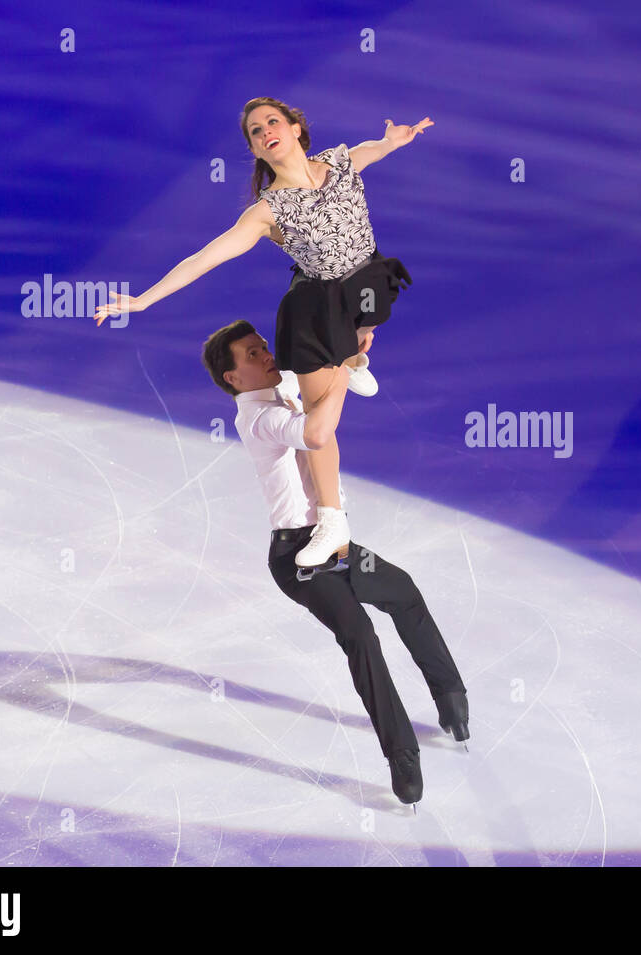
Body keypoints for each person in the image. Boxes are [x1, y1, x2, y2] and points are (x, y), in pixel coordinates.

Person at [94, 97, 432, 571]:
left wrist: (391, 140)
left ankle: (354, 357)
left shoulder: (338, 161)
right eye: (255, 131)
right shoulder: (267, 210)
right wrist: (145, 300)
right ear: (256, 149)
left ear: (296, 128)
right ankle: (332, 520)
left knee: (370, 313)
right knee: (318, 420)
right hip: (319, 306)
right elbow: (206, 256)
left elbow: (371, 151)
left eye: (273, 121)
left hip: (369, 285)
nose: (266, 131)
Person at [200, 319, 468, 807]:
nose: (266, 355)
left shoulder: (279, 384)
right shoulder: (257, 419)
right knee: (360, 635)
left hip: (336, 546)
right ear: (232, 379)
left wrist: (351, 344)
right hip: (299, 559)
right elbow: (318, 432)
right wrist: (343, 374)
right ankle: (402, 756)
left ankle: (451, 700)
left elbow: (316, 356)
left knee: (403, 592)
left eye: (262, 346)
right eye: (252, 355)